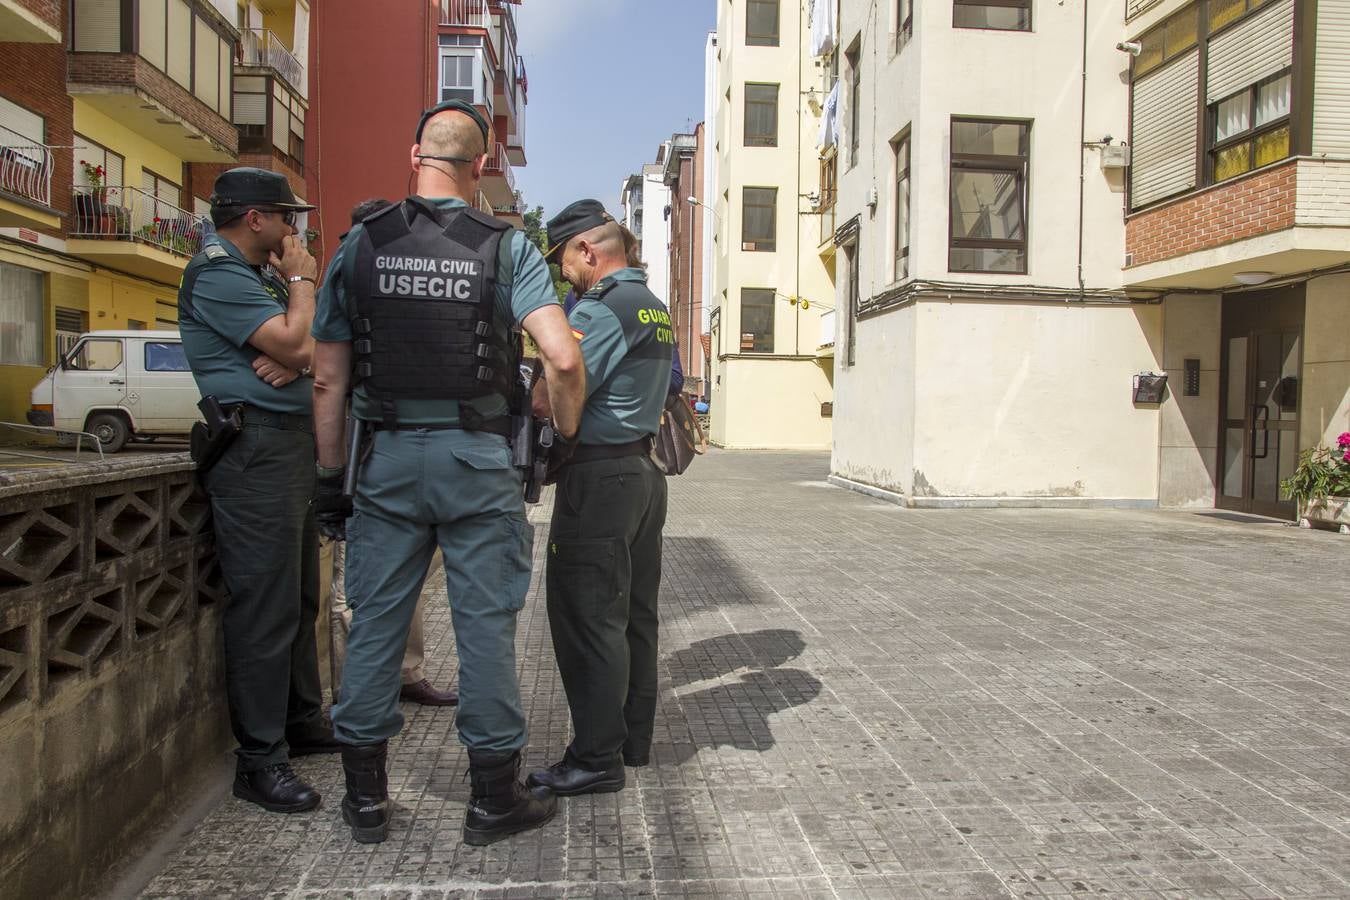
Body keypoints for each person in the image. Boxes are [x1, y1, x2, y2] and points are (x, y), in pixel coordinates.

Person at [309, 100, 584, 846]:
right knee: (485, 628)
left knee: (374, 628)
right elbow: (562, 356)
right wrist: (561, 438)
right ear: (481, 166)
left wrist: (332, 482)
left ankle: (365, 803)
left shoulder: (360, 244)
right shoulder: (506, 246)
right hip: (476, 461)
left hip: (387, 462)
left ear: (414, 154)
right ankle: (494, 801)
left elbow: (328, 382)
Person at [178, 167, 335, 814]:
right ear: (254, 219)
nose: (294, 231)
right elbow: (302, 341)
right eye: (285, 217)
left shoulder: (257, 279)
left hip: (288, 447)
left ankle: (300, 721)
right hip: (254, 451)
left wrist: (301, 343)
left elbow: (322, 346)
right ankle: (259, 760)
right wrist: (304, 292)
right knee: (265, 609)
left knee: (300, 598)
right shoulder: (217, 271)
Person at [526, 200, 672, 796]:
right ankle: (630, 742)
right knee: (634, 616)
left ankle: (594, 757)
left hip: (601, 479)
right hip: (641, 472)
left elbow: (557, 384)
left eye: (564, 261)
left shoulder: (604, 306)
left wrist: (552, 410)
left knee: (588, 617)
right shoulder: (654, 305)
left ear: (589, 250)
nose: (564, 275)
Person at [327, 198, 458, 709]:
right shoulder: (349, 273)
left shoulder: (388, 279)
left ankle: (404, 674)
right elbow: (324, 369)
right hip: (365, 454)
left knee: (412, 582)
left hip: (396, 450)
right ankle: (355, 696)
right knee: (356, 590)